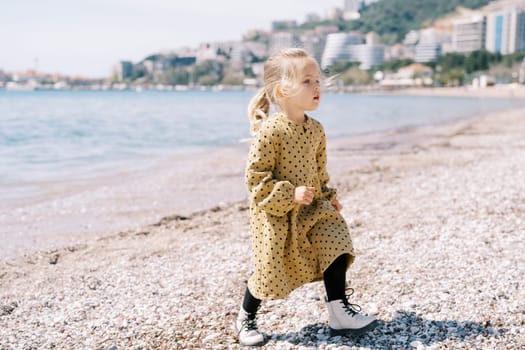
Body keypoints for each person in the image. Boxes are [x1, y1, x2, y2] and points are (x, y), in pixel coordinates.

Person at [234, 48, 378, 347]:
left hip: (313, 208)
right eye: (308, 81)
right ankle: (246, 316)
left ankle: (339, 310)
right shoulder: (270, 131)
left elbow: (319, 171)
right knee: (269, 270)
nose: (317, 87)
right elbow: (255, 179)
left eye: (317, 80)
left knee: (337, 241)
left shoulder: (316, 130)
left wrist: (328, 196)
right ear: (282, 90)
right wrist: (290, 194)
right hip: (277, 215)